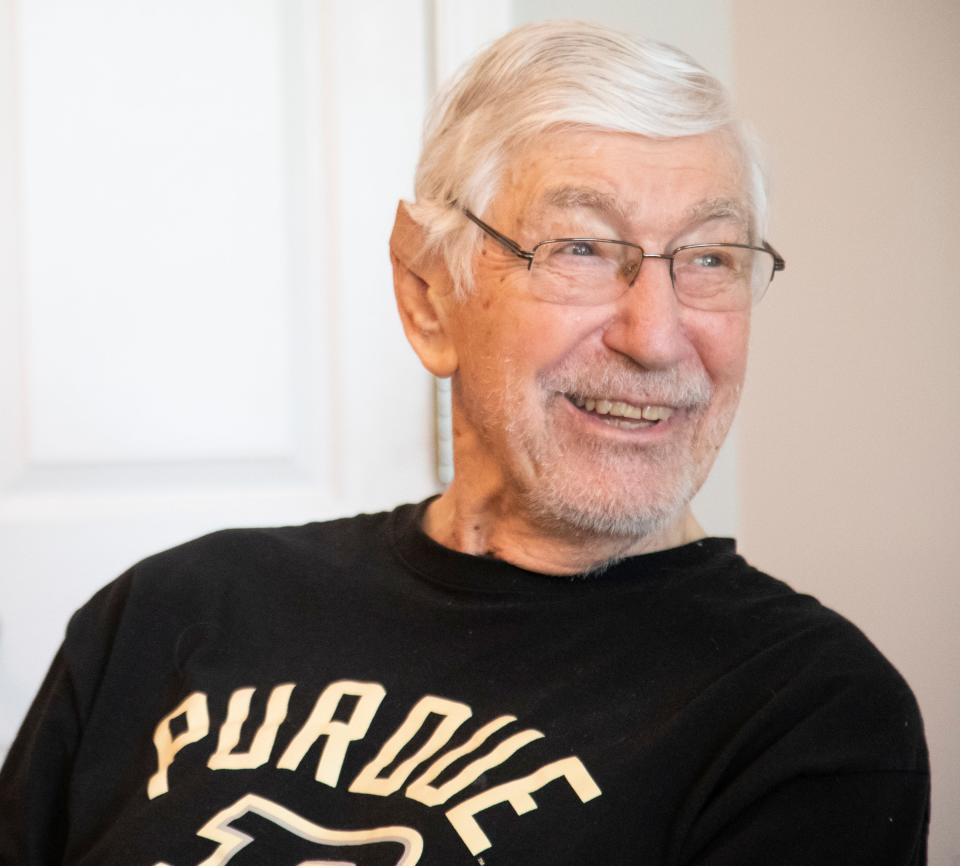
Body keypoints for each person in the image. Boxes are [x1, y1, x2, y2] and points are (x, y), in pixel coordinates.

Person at [0, 20, 929, 866]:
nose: (655, 335)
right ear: (426, 293)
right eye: (580, 248)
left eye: (712, 258)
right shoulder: (174, 612)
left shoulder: (805, 714)